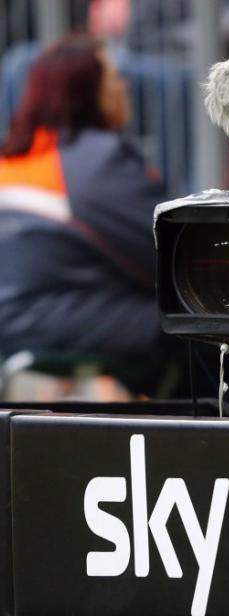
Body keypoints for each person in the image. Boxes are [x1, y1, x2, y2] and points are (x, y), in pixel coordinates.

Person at [0, 33, 169, 391]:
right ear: (87, 92)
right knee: (210, 325)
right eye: (114, 79)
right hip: (52, 318)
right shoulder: (98, 159)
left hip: (17, 319)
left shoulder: (12, 156)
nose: (124, 88)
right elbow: (164, 253)